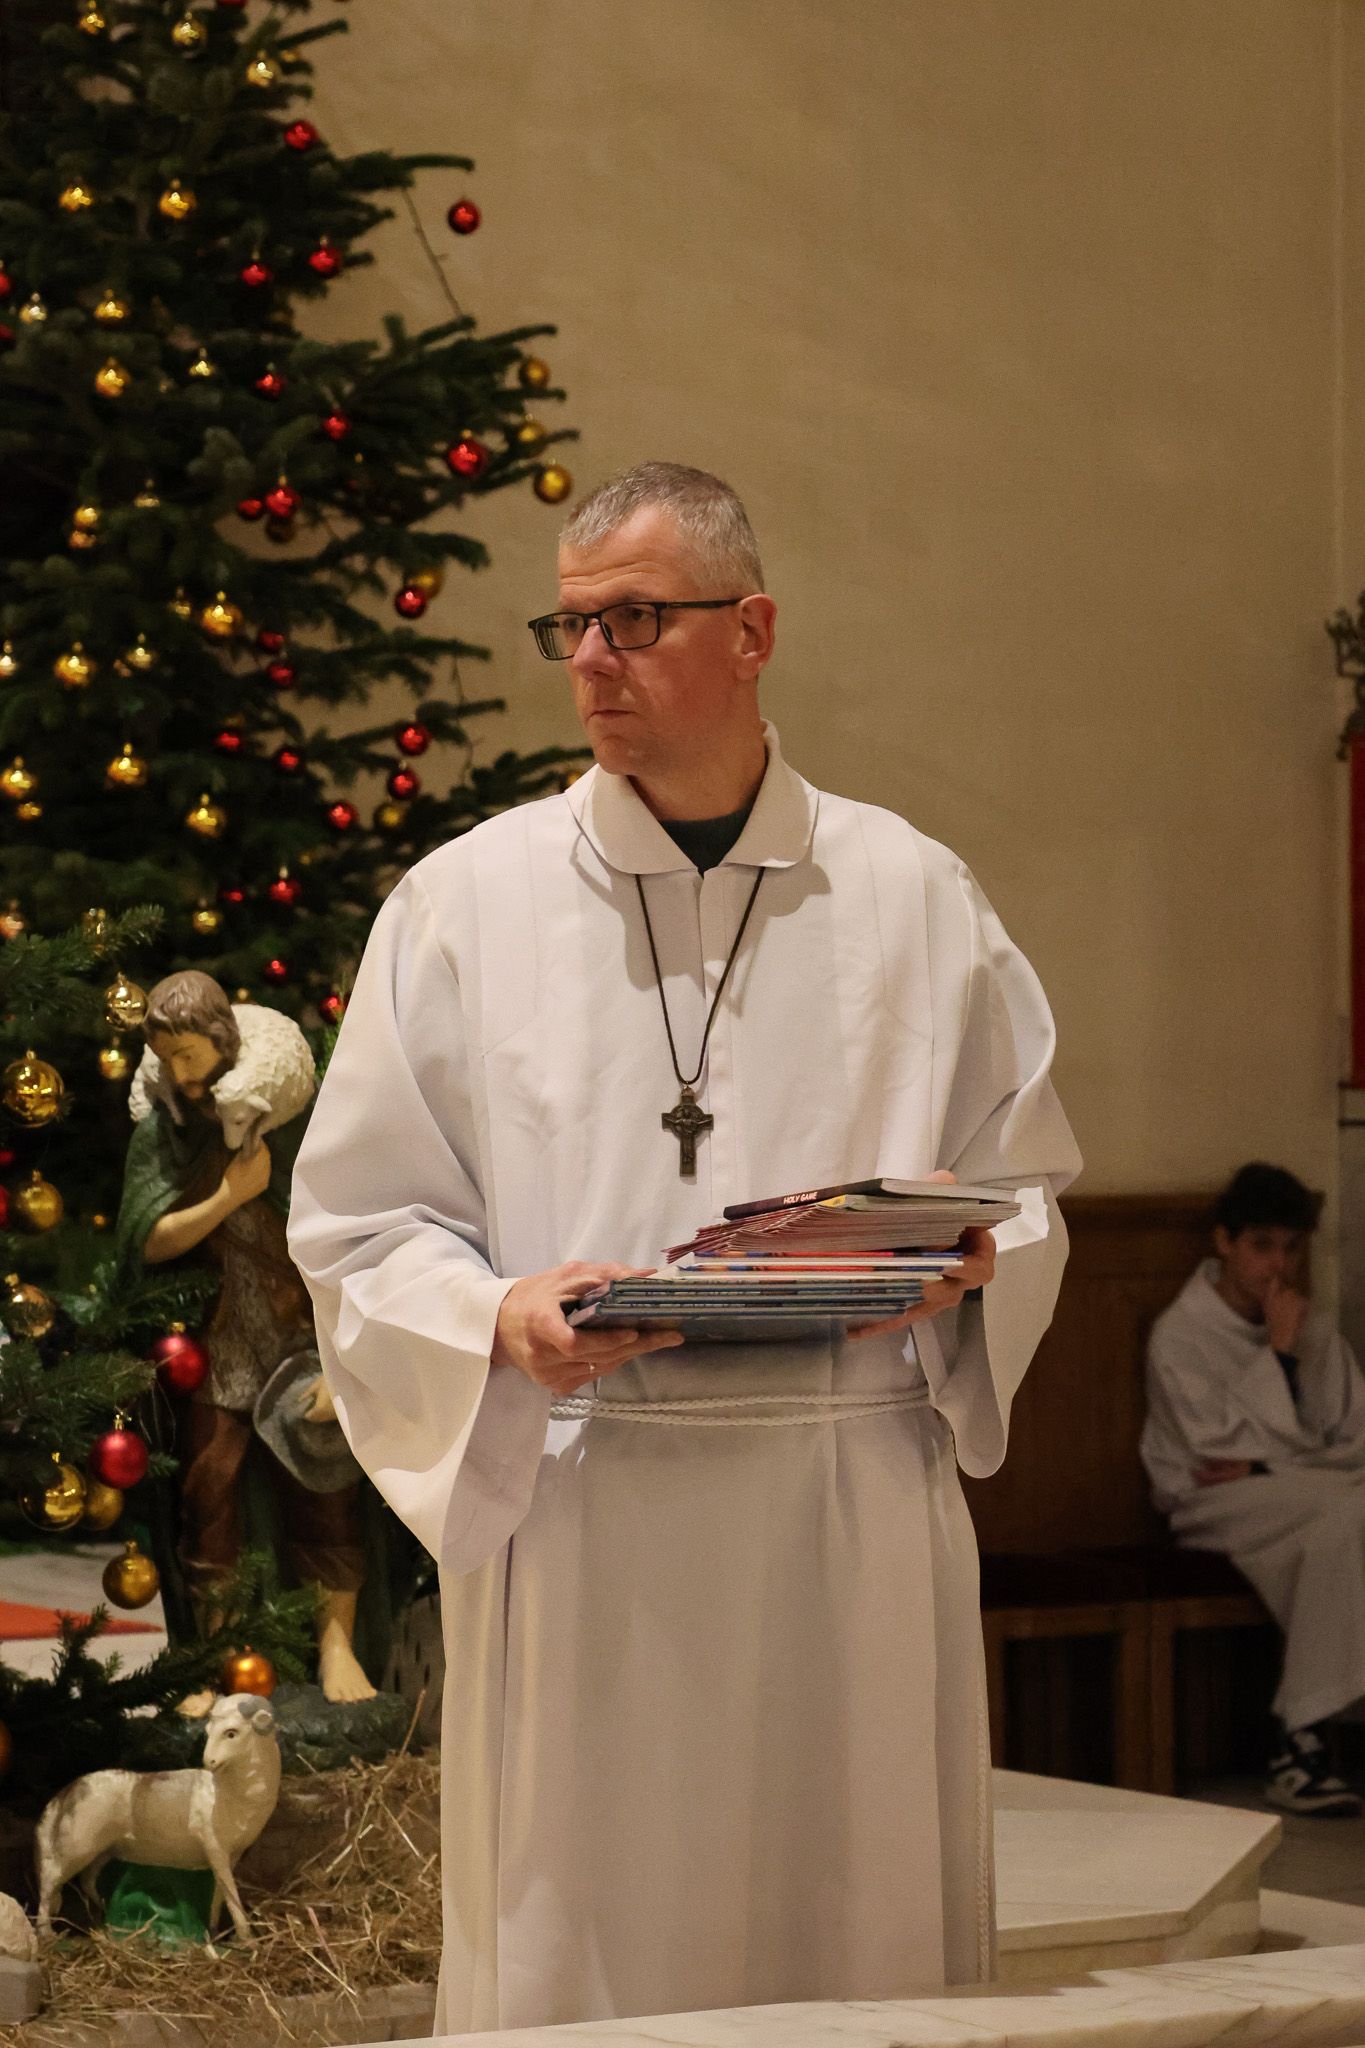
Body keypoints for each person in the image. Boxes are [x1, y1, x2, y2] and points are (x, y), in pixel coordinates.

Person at [288, 462, 1081, 2032]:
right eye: (570, 627)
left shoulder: (913, 894)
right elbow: (360, 1224)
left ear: (753, 630)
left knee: (850, 1943)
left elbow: (1025, 1182)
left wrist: (973, 1256)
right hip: (592, 1514)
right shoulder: (462, 907)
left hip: (842, 1509)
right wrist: (498, 1315)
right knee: (600, 1958)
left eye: (636, 620)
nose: (591, 661)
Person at [116, 970, 376, 1708]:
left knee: (325, 1487)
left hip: (297, 1338)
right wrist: (230, 1196)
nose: (180, 1073)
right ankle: (215, 1658)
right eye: (167, 1058)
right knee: (210, 1495)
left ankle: (337, 1648)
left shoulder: (291, 1122)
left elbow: (345, 1233)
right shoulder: (165, 1132)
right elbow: (146, 1240)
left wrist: (344, 1356)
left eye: (189, 1054)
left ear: (222, 1041)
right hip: (214, 1347)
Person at [1142, 1161, 1365, 1816]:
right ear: (1224, 1241)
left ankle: (1302, 1741)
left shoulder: (1311, 1324)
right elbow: (1213, 1449)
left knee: (1335, 1527)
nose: (1279, 1265)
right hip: (1207, 1502)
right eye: (1262, 1245)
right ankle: (1301, 1742)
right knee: (1344, 1512)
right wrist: (1279, 1354)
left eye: (1291, 1248)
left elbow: (1352, 1434)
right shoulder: (1181, 1333)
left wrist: (1267, 1466)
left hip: (1299, 1496)